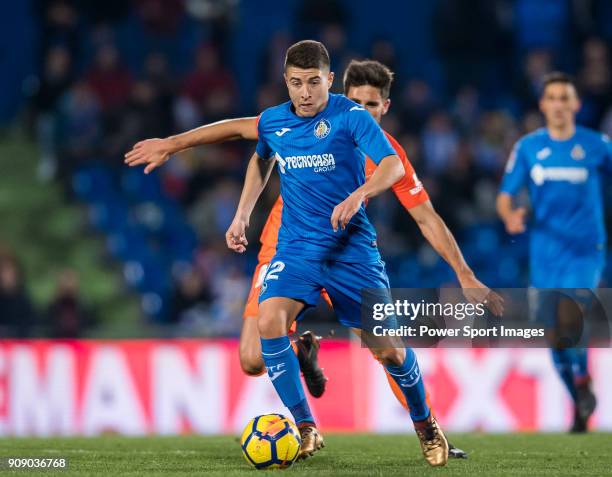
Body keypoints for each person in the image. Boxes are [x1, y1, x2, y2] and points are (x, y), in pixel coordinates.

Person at [126, 42, 502, 466]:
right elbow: (244, 137)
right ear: (286, 82)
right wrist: (183, 155)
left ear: (331, 82)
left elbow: (406, 185)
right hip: (292, 245)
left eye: (313, 83)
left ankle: (426, 424)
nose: (304, 92)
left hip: (350, 251)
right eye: (295, 83)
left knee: (389, 349)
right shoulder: (277, 120)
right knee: (257, 346)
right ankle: (306, 426)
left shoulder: (353, 121)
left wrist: (362, 198)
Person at [497, 72, 610, 433]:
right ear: (543, 104)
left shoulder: (597, 145)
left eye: (566, 98)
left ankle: (581, 381)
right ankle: (579, 400)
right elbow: (505, 195)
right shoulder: (529, 148)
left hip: (585, 251)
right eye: (553, 98)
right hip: (545, 255)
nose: (559, 104)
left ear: (576, 104)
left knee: (568, 315)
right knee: (553, 336)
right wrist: (510, 215)